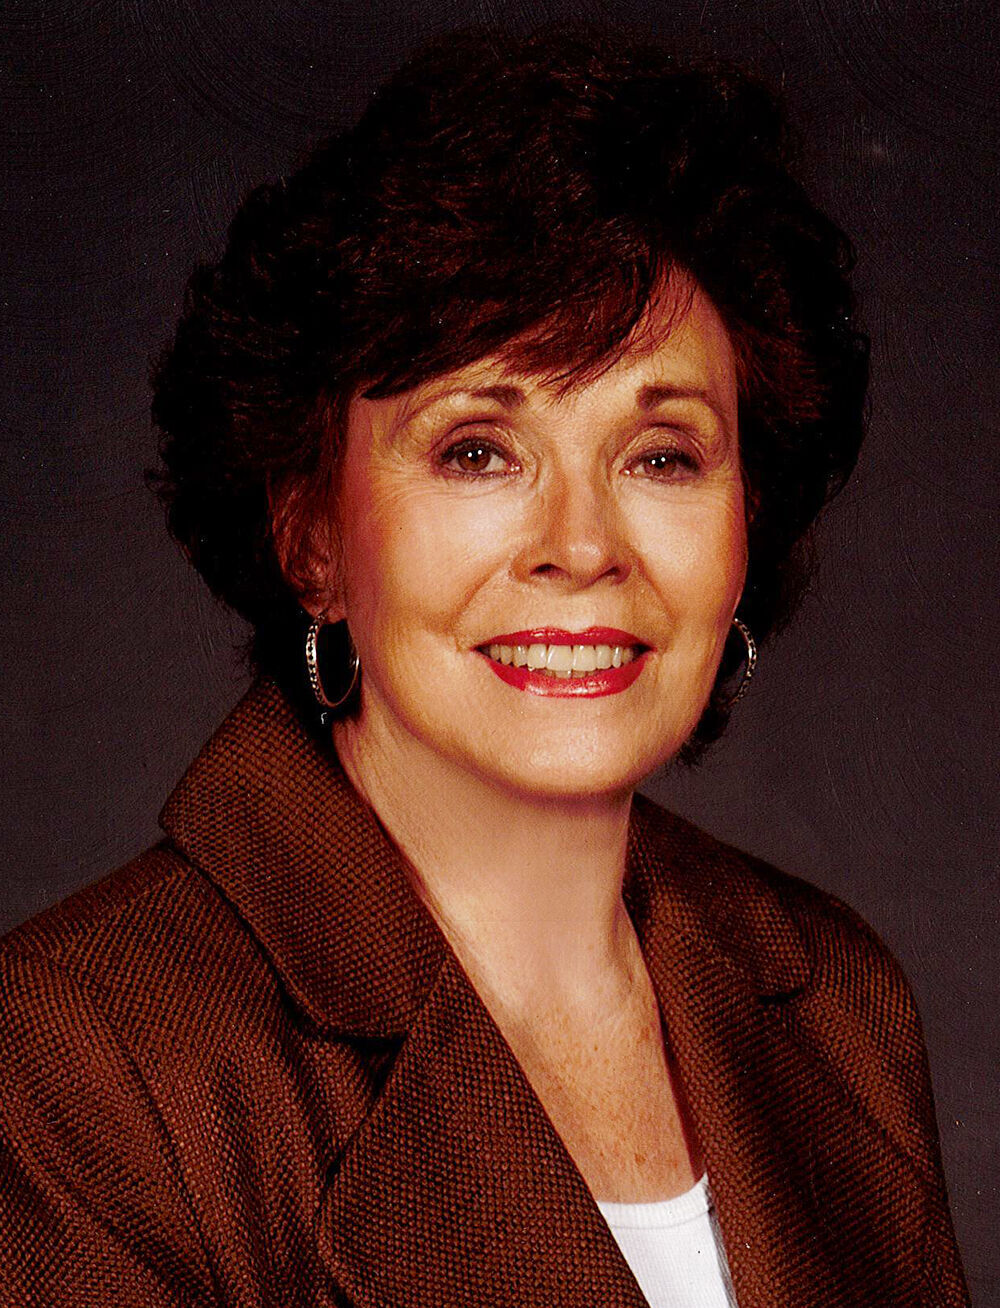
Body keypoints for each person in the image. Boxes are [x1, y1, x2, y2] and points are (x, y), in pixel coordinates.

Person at [0, 24, 969, 1308]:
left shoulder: (839, 1002)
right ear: (312, 535)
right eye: (477, 451)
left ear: (748, 521)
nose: (582, 545)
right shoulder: (78, 1058)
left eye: (662, 456)